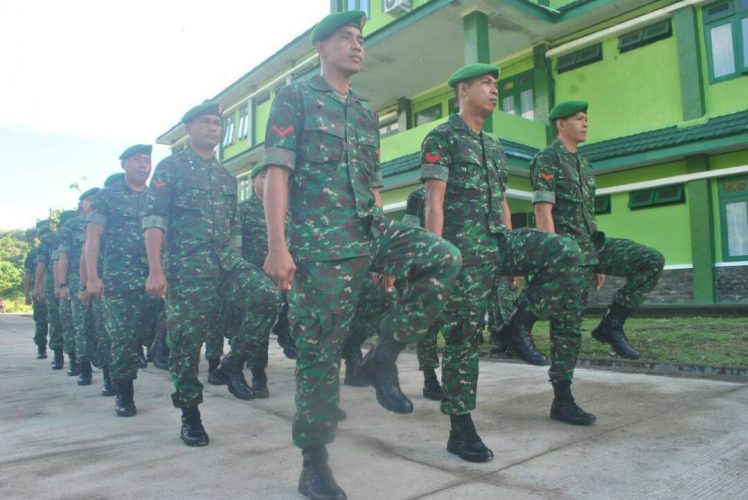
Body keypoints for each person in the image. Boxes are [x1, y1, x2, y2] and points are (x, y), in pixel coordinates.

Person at [260, 11, 461, 499]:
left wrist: (384, 259)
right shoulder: (296, 98)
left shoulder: (367, 114)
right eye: (346, 38)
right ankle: (314, 463)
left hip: (369, 234)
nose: (357, 46)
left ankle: (382, 358)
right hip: (320, 247)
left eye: (360, 40)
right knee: (320, 356)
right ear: (322, 49)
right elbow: (277, 176)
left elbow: (371, 186)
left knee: (444, 258)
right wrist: (277, 246)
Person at [421, 63, 584, 462]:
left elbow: (503, 203)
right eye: (486, 84)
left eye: (496, 85)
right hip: (462, 253)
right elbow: (434, 201)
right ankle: (460, 428)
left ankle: (516, 324)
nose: (494, 91)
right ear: (463, 89)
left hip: (498, 242)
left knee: (566, 251)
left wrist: (513, 253)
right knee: (462, 338)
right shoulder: (442, 137)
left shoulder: (493, 147)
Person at [143, 103, 278, 446]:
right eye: (205, 122)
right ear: (189, 128)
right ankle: (190, 413)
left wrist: (236, 263)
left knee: (267, 296)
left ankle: (233, 363)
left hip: (224, 262)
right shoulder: (170, 168)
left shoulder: (226, 176)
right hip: (186, 266)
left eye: (217, 123)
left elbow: (233, 229)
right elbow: (154, 221)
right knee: (187, 343)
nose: (213, 128)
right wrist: (156, 269)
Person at [530, 100, 665, 425]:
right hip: (566, 255)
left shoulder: (586, 166)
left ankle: (611, 324)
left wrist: (598, 263)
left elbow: (587, 218)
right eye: (579, 118)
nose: (586, 123)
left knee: (650, 260)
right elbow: (542, 212)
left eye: (587, 118)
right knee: (567, 328)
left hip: (591, 249)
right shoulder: (547, 159)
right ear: (561, 124)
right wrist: (553, 260)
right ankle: (562, 400)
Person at [86, 145, 162, 416]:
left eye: (147, 161)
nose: (143, 165)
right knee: (123, 339)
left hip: (154, 277)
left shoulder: (157, 196)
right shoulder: (107, 197)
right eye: (137, 160)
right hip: (119, 281)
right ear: (124, 165)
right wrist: (92, 276)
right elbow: (93, 237)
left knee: (157, 330)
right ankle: (125, 394)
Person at [58, 188, 99, 385]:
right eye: (89, 200)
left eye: (95, 200)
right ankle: (83, 367)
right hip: (77, 279)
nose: (92, 203)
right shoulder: (70, 226)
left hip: (102, 277)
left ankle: (108, 373)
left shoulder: (106, 217)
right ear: (81, 203)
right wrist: (62, 283)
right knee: (81, 325)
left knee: (102, 327)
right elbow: (63, 256)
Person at [34, 216, 64, 369]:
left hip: (52, 285)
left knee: (55, 320)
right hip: (70, 282)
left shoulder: (45, 242)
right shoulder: (65, 234)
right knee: (72, 321)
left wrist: (37, 287)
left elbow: (41, 265)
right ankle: (78, 360)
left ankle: (58, 358)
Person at [24, 226, 48, 359]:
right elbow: (27, 275)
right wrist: (27, 294)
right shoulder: (33, 254)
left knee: (61, 322)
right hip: (40, 292)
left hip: (54, 291)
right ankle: (41, 348)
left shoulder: (55, 248)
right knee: (41, 321)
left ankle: (61, 351)